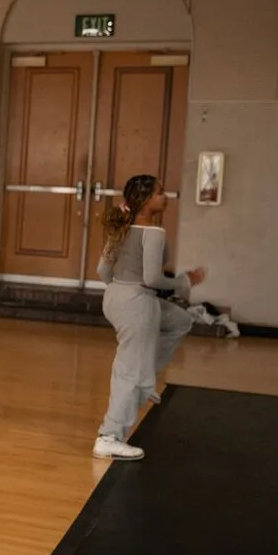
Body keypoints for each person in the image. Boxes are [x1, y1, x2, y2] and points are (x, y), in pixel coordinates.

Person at [93, 175, 203, 461]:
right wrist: (184, 281)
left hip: (115, 297)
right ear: (144, 200)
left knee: (179, 321)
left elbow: (102, 271)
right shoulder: (153, 233)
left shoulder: (121, 228)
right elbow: (153, 278)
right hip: (137, 303)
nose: (165, 197)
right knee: (128, 370)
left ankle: (145, 378)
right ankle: (109, 437)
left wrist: (122, 291)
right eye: (159, 192)